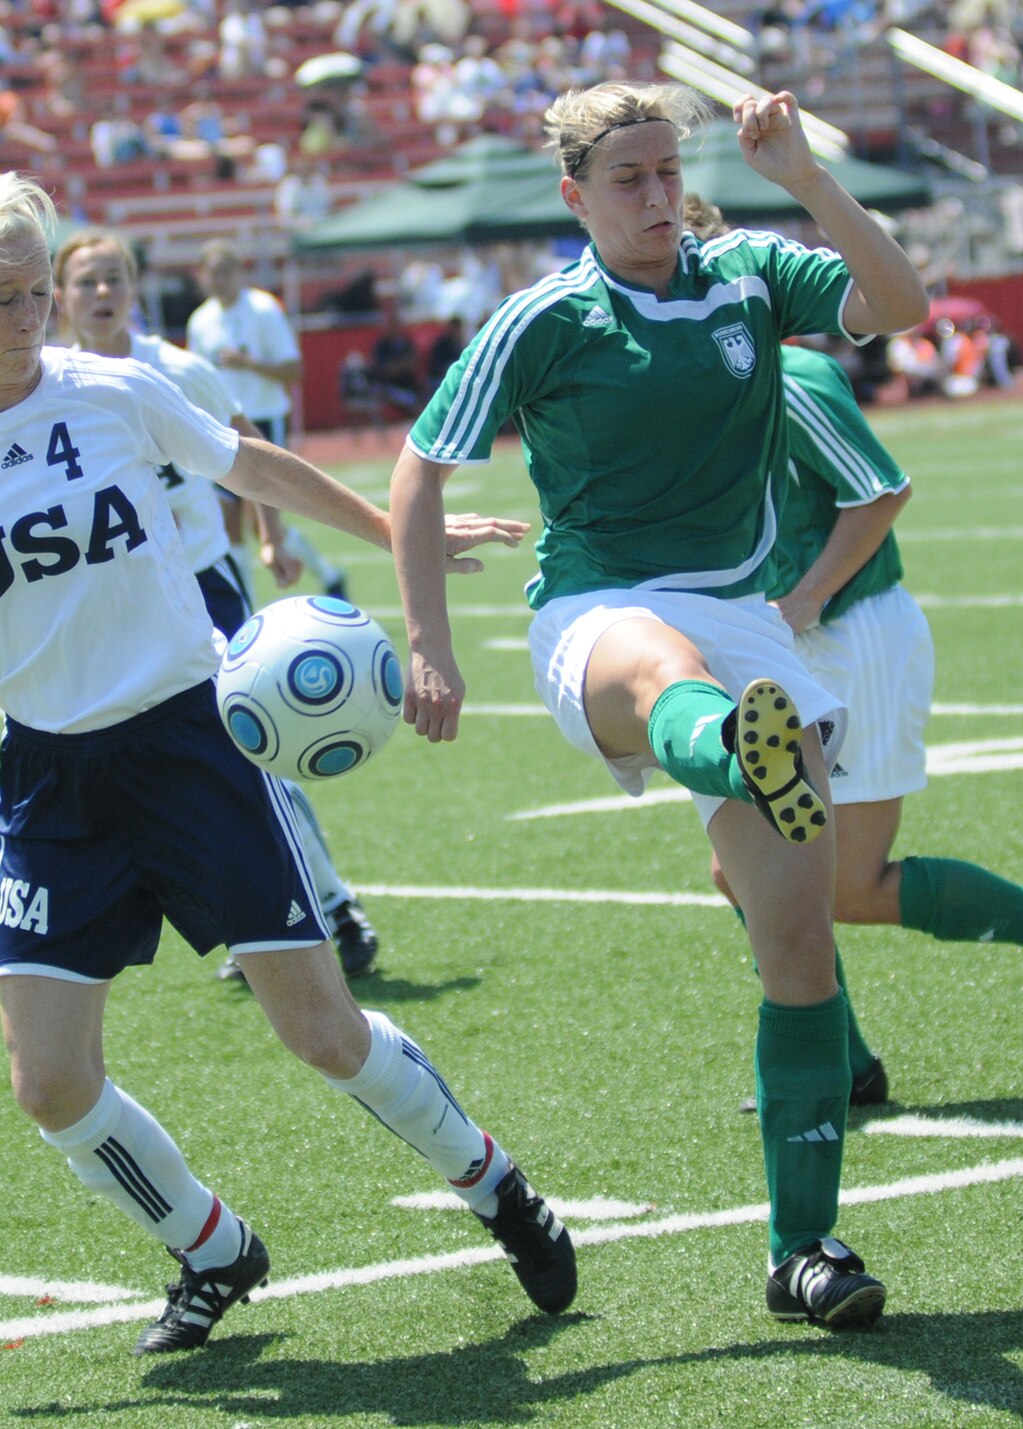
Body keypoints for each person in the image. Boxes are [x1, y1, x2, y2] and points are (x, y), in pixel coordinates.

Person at [0, 174, 572, 1356]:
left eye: (39, 289)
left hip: (191, 743)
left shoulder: (116, 389)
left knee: (323, 1033)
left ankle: (494, 1183)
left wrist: (398, 530)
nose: (30, 314)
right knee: (46, 1083)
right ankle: (212, 1249)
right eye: (3, 297)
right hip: (50, 780)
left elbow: (251, 467)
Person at [390, 81, 929, 1329]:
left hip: (741, 622)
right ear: (573, 195)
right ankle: (739, 752)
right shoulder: (547, 316)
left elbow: (899, 305)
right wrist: (429, 645)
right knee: (660, 673)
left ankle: (805, 1252)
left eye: (665, 172)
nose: (654, 197)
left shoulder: (744, 271)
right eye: (624, 179)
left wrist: (803, 174)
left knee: (798, 955)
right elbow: (421, 467)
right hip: (594, 612)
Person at [679, 195, 1023, 1107]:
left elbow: (880, 491)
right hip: (787, 647)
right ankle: (845, 1064)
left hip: (853, 635)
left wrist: (806, 593)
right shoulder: (697, 392)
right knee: (742, 869)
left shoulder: (787, 375)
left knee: (847, 882)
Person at [52, 228, 387, 980]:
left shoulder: (176, 370)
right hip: (111, 603)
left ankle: (334, 908)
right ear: (60, 297)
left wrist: (270, 535)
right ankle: (254, 922)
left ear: (135, 289)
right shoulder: (48, 391)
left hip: (199, 584)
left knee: (256, 748)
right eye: (86, 283)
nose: (101, 294)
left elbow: (242, 447)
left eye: (113, 279)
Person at [186, 240, 349, 600]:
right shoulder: (200, 320)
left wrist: (250, 364)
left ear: (239, 273)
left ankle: (328, 573)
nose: (219, 280)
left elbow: (295, 371)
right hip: (219, 424)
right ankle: (248, 608)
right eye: (212, 273)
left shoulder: (263, 310)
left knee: (262, 519)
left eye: (225, 272)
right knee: (229, 522)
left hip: (261, 420)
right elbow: (196, 376)